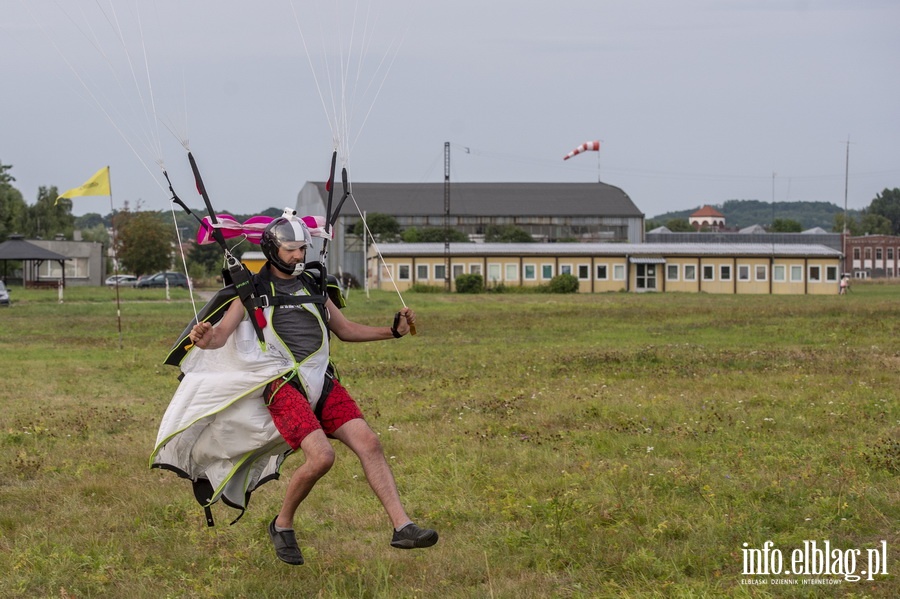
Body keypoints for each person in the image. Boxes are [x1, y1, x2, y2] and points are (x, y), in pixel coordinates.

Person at [186, 215, 437, 565]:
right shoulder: (251, 291)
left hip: (322, 379)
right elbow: (220, 336)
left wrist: (391, 331)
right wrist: (203, 337)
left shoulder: (314, 285)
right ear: (273, 250)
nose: (299, 255)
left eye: (303, 248)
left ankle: (402, 526)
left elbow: (346, 330)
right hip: (282, 385)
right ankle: (282, 524)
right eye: (291, 250)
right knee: (322, 457)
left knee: (370, 443)